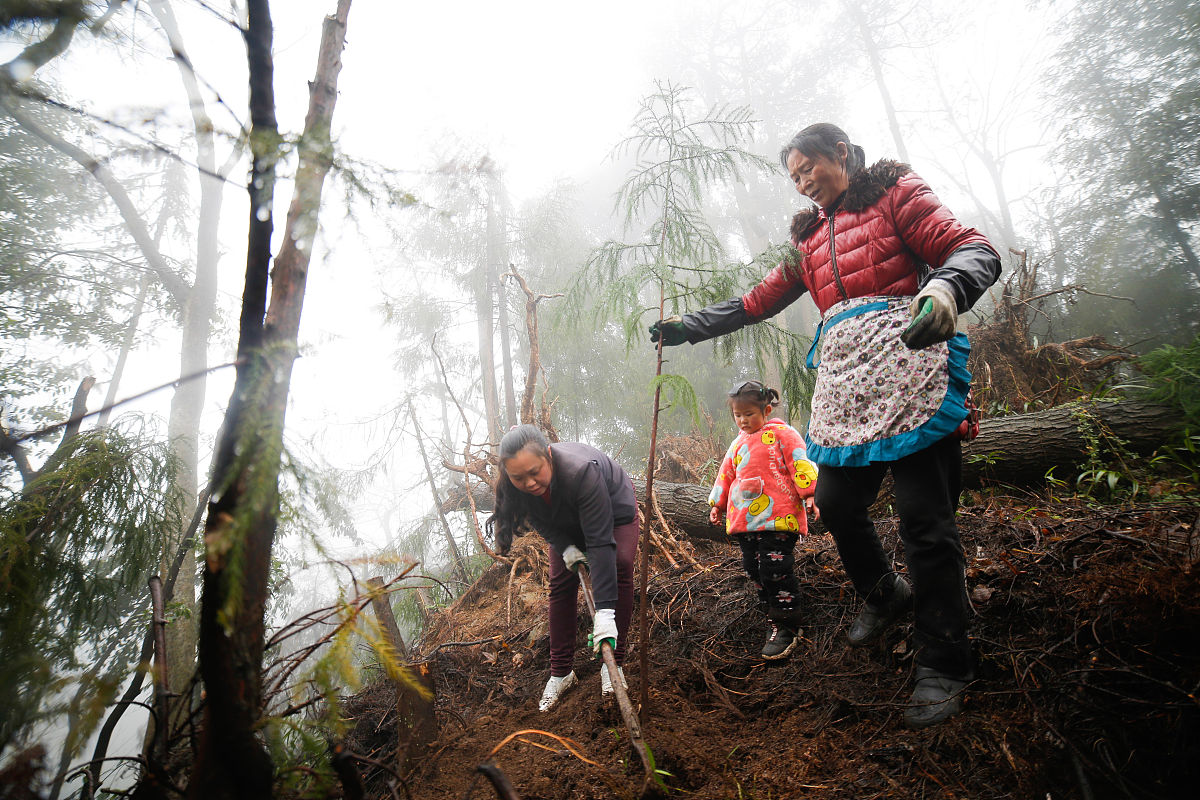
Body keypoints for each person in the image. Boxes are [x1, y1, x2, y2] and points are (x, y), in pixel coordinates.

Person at [650, 123, 1001, 728]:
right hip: (847, 385)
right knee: (835, 502)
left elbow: (972, 248)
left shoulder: (894, 193)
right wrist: (691, 326)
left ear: (840, 152)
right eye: (793, 177)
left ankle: (945, 660)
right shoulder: (808, 238)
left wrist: (946, 290)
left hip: (911, 366)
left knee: (925, 519)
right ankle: (884, 593)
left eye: (808, 167)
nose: (803, 181)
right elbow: (755, 302)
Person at [487, 425, 639, 712]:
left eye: (535, 472)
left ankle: (613, 663)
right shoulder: (515, 484)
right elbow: (539, 520)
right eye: (519, 477)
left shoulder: (581, 472)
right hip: (563, 520)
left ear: (548, 456)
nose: (529, 483)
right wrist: (566, 547)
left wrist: (605, 613)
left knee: (619, 565)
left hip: (613, 508)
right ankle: (561, 672)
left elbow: (600, 543)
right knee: (560, 582)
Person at [708, 380, 818, 661]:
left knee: (774, 565)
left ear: (766, 410)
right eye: (738, 415)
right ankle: (772, 611)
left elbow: (799, 462)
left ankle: (788, 623)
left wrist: (810, 494)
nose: (743, 421)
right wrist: (718, 503)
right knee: (752, 566)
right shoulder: (737, 443)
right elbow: (726, 474)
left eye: (749, 414)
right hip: (746, 520)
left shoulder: (783, 434)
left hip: (778, 516)